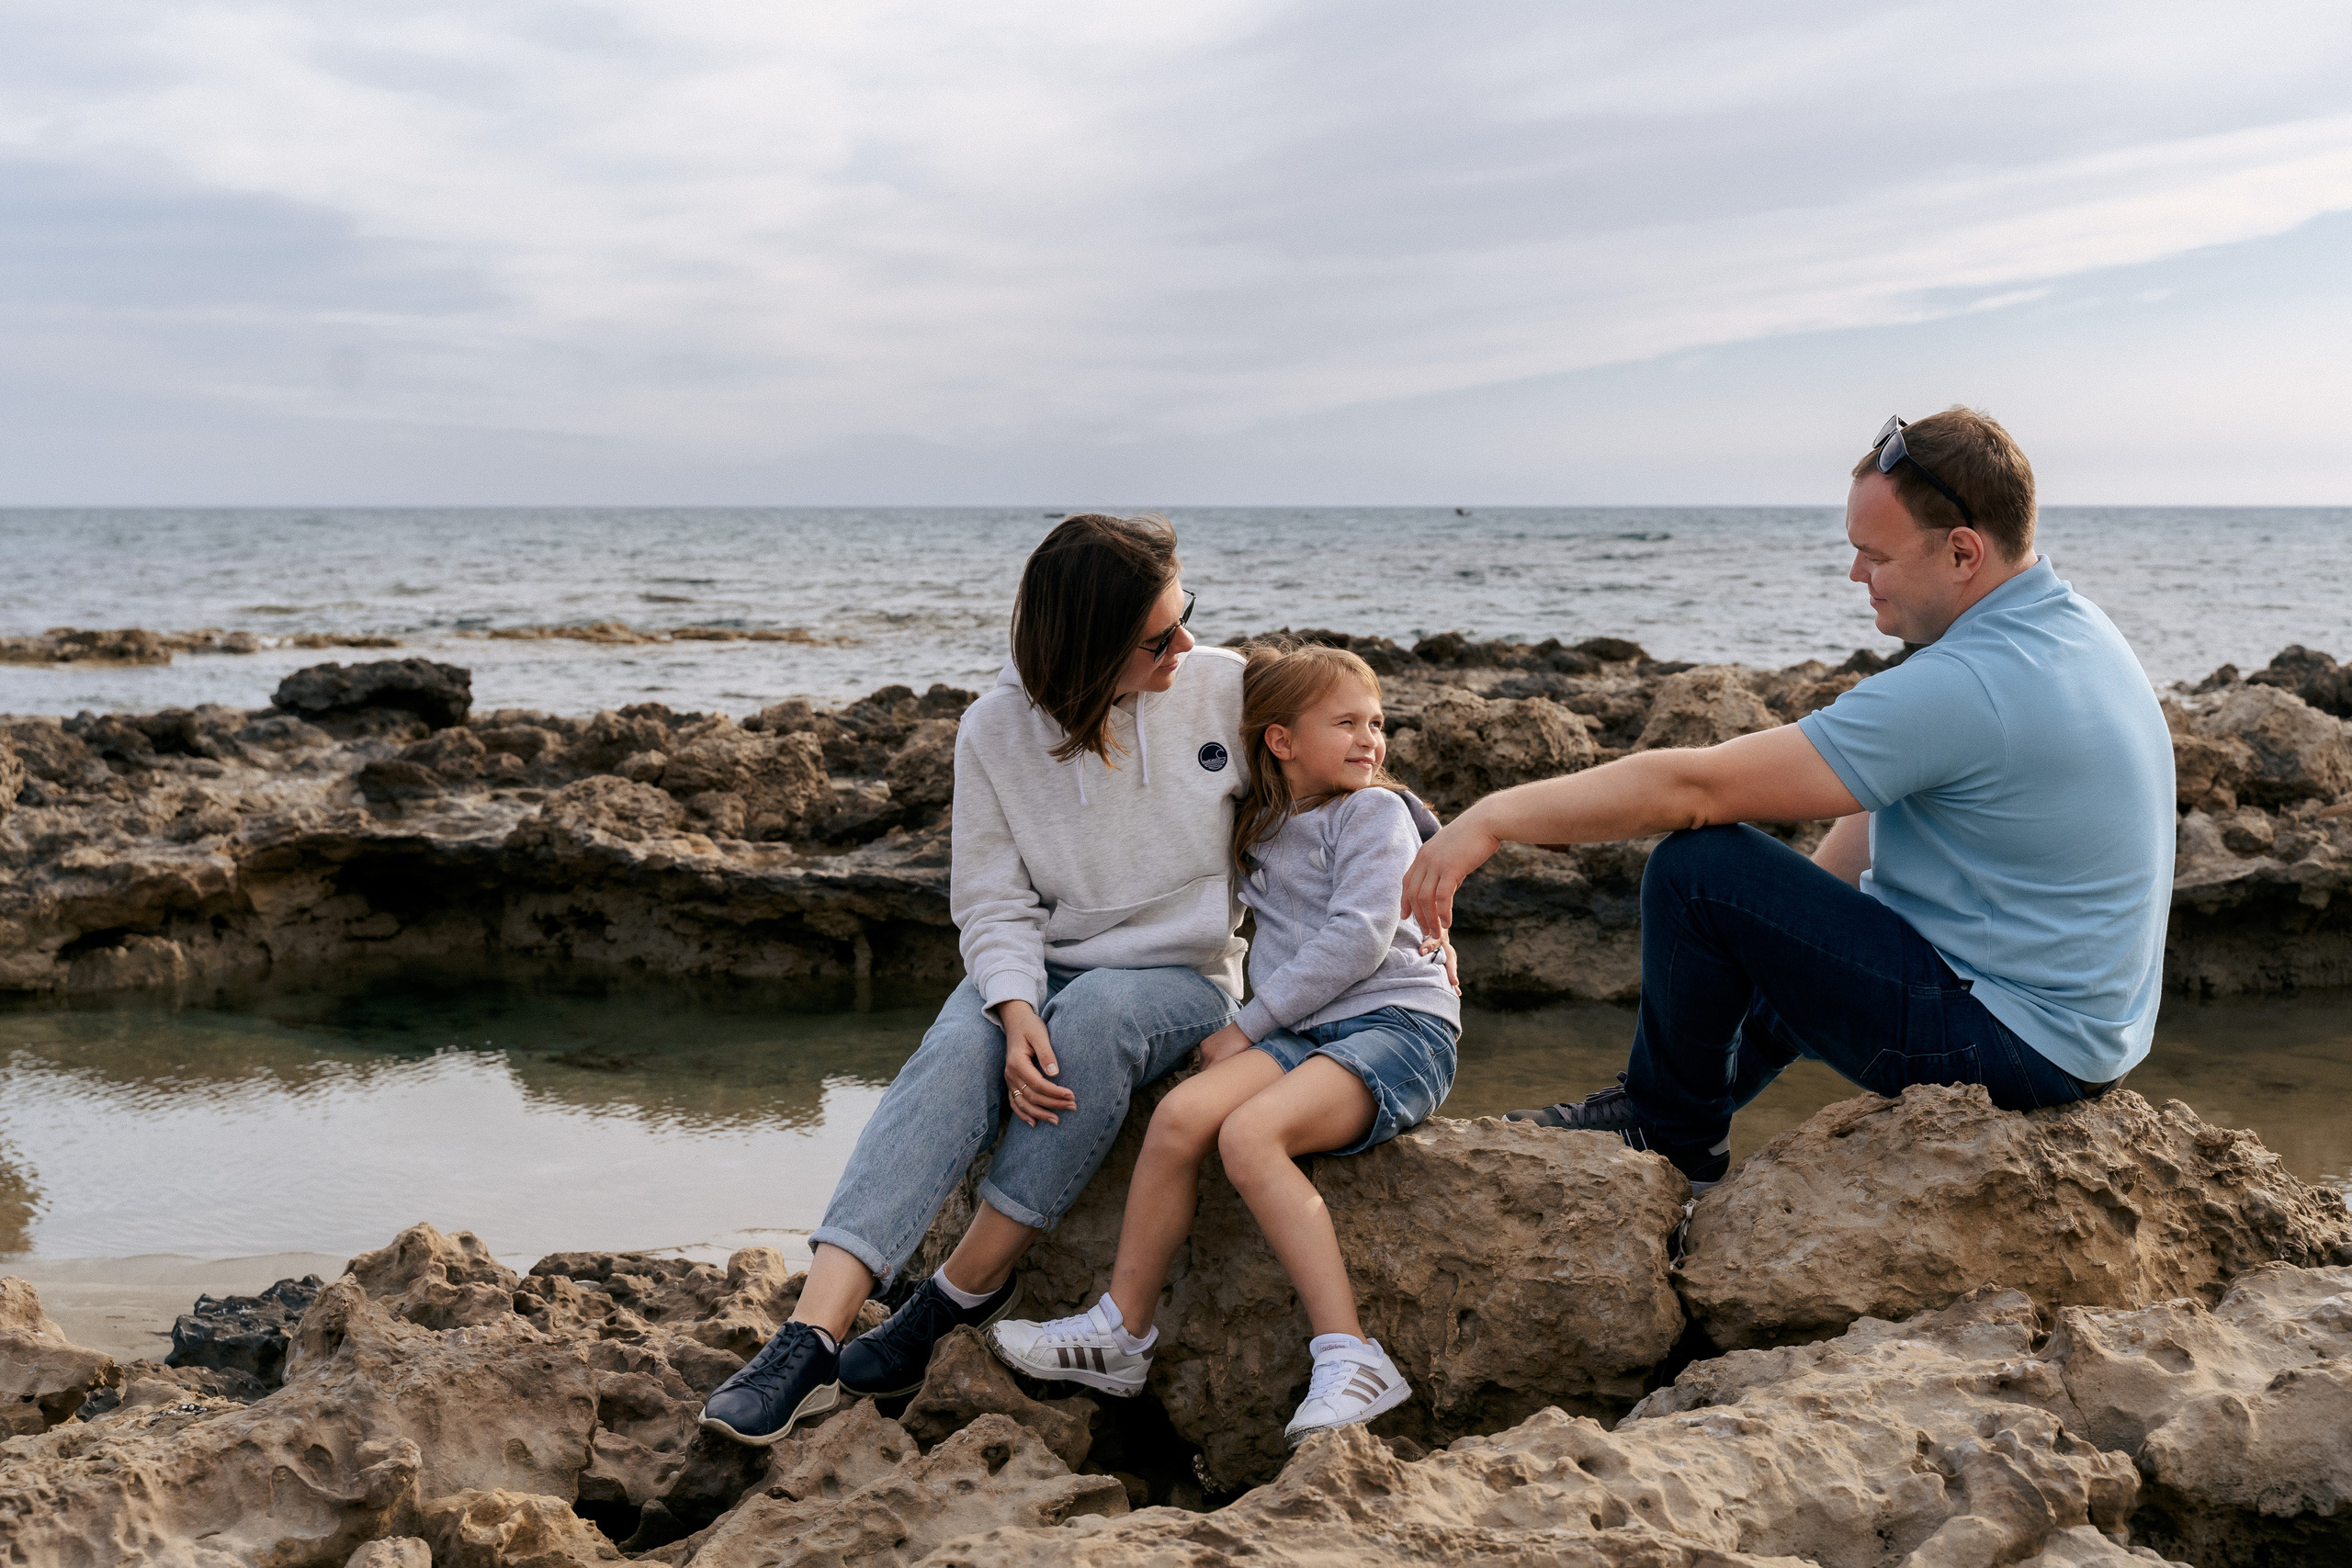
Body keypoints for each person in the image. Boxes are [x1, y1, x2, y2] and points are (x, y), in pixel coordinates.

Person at [1401, 407, 2175, 1188]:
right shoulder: (2073, 630)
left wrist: (1492, 817)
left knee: (1700, 870)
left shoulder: (1968, 685)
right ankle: (1666, 1104)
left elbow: (1696, 789)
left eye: (1874, 555)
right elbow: (1877, 818)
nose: (1855, 576)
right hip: (2081, 1041)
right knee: (1765, 914)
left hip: (2013, 1047)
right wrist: (1782, 940)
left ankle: (1672, 1136)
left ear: (1963, 551)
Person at [700, 513, 1250, 1445]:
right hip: (1044, 959)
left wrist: (1416, 851)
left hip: (1182, 972)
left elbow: (1338, 777)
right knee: (954, 1051)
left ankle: (957, 1292)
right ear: (1085, 648)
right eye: (1158, 637)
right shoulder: (993, 731)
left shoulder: (1227, 689)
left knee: (1101, 1019)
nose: (1185, 644)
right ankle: (807, 1335)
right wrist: (1013, 1004)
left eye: (1184, 613)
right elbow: (993, 901)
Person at [984, 642, 1460, 1449]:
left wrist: (1245, 1023)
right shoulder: (1261, 822)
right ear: (1279, 741)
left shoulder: (1375, 812)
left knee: (1249, 1134)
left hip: (1398, 1028)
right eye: (1345, 722)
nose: (1370, 739)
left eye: (1376, 722)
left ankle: (1351, 1353)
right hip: (1307, 1031)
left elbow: (1361, 934)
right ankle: (1120, 1334)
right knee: (1181, 1115)